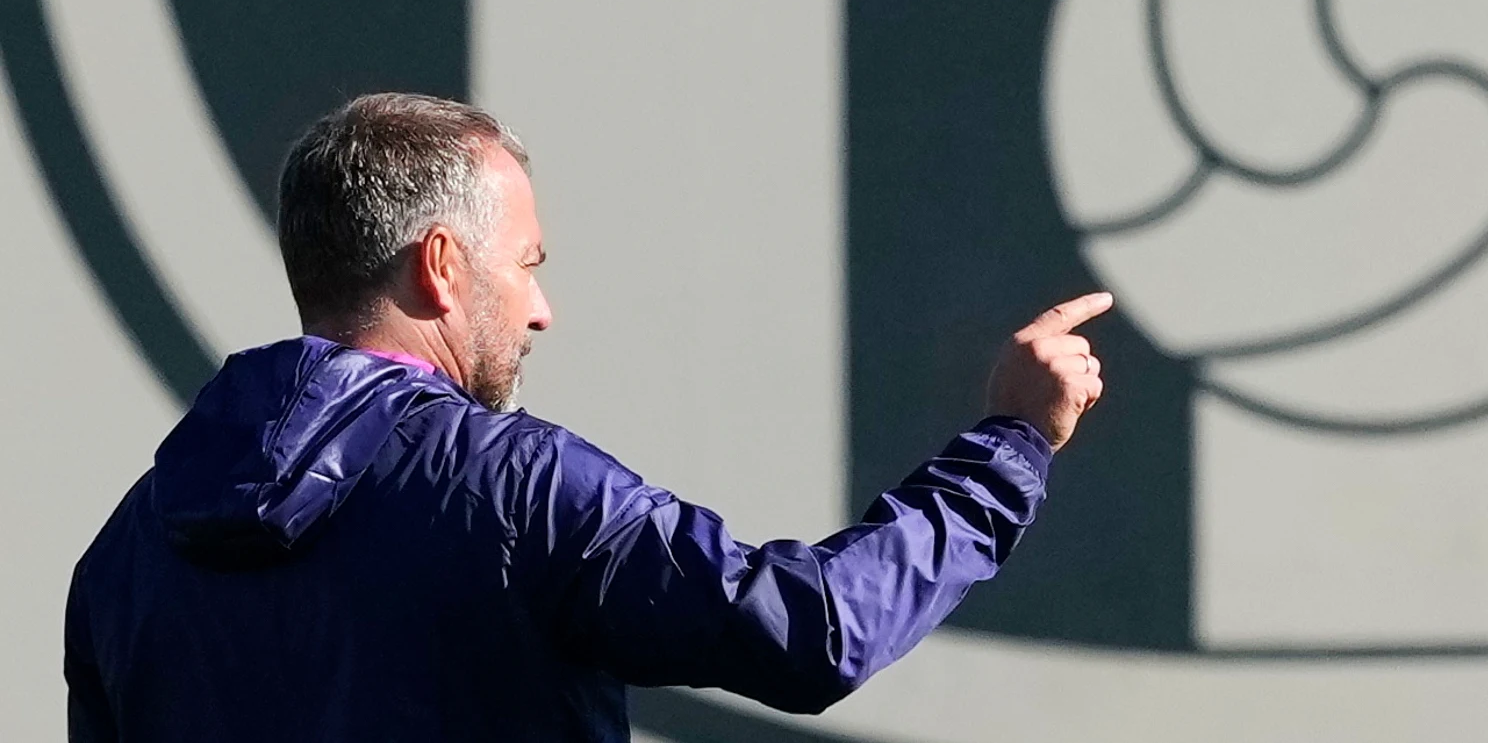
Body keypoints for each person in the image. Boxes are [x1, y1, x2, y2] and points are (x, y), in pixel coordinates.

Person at [64, 93, 1111, 742]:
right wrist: (1007, 447)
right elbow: (813, 634)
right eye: (526, 266)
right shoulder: (514, 491)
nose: (541, 309)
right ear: (439, 264)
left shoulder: (125, 552)